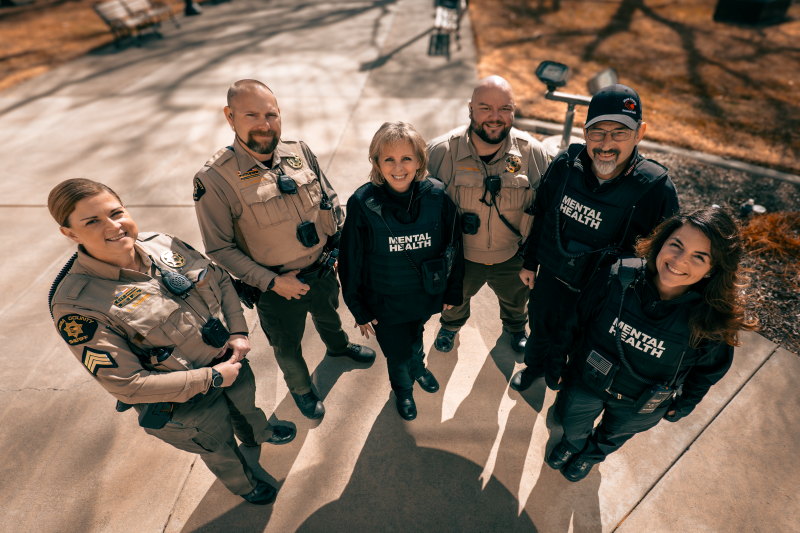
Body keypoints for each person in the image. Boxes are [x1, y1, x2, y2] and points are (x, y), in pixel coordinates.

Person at [48, 179, 292, 505]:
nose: (114, 226)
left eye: (116, 212)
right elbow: (127, 385)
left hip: (228, 362)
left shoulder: (161, 244)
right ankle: (247, 486)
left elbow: (218, 280)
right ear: (70, 233)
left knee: (247, 409)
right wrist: (213, 378)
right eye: (92, 221)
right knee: (219, 449)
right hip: (186, 403)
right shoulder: (78, 304)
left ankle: (258, 435)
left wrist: (238, 332)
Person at [193, 79, 375, 420]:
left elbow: (330, 199)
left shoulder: (299, 152)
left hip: (322, 269)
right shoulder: (215, 179)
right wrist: (273, 283)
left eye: (271, 115)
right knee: (287, 345)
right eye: (252, 115)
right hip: (275, 287)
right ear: (230, 117)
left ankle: (338, 349)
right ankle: (302, 391)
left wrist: (336, 247)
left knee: (329, 315)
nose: (265, 124)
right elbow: (219, 247)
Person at [545, 207, 756, 482]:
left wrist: (683, 405)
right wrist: (557, 362)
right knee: (571, 421)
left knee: (613, 436)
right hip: (586, 381)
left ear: (712, 270)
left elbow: (708, 372)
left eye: (699, 257)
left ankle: (589, 456)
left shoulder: (712, 321)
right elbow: (574, 320)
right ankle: (572, 445)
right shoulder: (618, 275)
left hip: (640, 405)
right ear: (662, 242)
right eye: (676, 245)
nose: (679, 261)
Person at [511, 84, 680, 392]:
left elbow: (662, 261)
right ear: (585, 132)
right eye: (597, 132)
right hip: (551, 278)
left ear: (640, 133)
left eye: (620, 133)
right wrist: (530, 262)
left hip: (601, 296)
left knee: (582, 347)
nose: (606, 144)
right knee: (540, 329)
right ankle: (534, 367)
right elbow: (544, 215)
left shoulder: (657, 191)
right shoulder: (565, 165)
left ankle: (564, 387)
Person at [339, 122, 465, 420]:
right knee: (396, 353)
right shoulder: (362, 203)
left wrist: (453, 288)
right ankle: (404, 390)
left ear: (420, 160)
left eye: (406, 158)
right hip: (384, 300)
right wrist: (357, 307)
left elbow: (455, 245)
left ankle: (418, 367)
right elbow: (350, 259)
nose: (398, 167)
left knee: (416, 334)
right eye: (389, 159)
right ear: (376, 163)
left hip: (424, 294)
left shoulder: (437, 196)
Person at [427, 76, 550, 354]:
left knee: (516, 300)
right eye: (485, 108)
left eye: (504, 109)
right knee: (454, 300)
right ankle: (450, 325)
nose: (495, 118)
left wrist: (533, 258)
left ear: (514, 110)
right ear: (470, 109)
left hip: (512, 256)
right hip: (461, 259)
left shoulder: (534, 154)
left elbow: (545, 213)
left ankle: (516, 326)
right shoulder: (440, 153)